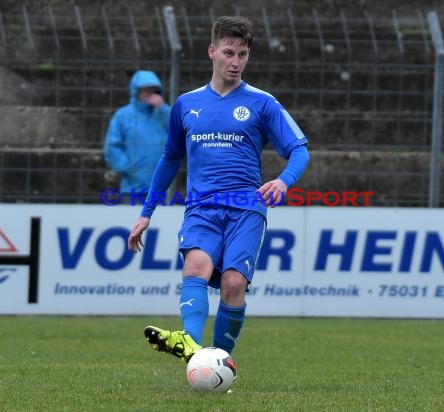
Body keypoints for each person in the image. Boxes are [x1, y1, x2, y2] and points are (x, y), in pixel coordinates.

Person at [127, 16, 309, 363]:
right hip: (201, 206)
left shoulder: (262, 102)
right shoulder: (186, 104)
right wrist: (146, 213)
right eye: (229, 52)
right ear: (212, 52)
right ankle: (193, 348)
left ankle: (220, 360)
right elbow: (169, 159)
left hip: (246, 207)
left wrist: (284, 180)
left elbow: (299, 150)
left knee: (233, 284)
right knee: (195, 267)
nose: (236, 62)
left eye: (243, 54)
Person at [103, 70, 171, 203]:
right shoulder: (123, 115)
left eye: (153, 90)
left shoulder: (163, 114)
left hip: (162, 189)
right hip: (132, 189)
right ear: (136, 91)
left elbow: (180, 131)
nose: (150, 94)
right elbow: (111, 148)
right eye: (146, 90)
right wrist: (131, 166)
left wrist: (162, 109)